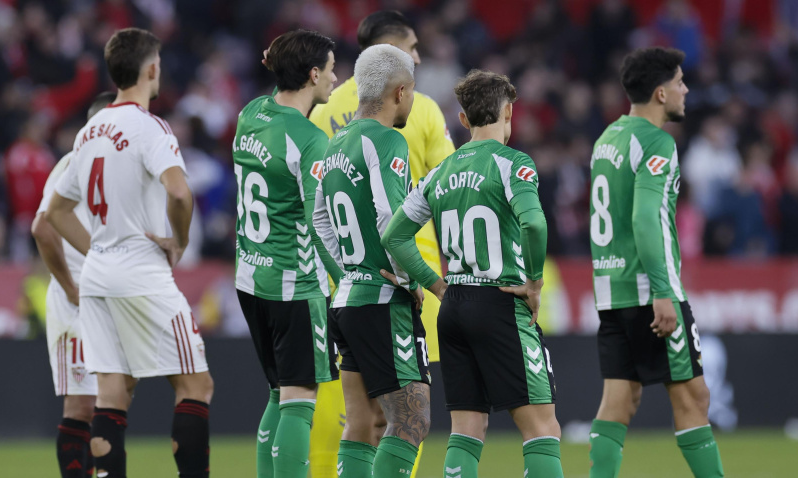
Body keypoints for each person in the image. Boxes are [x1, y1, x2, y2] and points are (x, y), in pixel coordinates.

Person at [46, 28, 213, 478]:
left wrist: (100, 248)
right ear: (152, 69)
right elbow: (179, 193)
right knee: (195, 384)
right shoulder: (149, 126)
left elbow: (57, 214)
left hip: (98, 274)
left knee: (111, 394)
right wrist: (178, 241)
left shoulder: (87, 133)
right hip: (141, 270)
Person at [382, 69, 563, 478]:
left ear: (463, 120)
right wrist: (533, 282)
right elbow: (534, 224)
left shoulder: (439, 173)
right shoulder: (513, 163)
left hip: (455, 305)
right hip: (500, 301)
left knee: (467, 429)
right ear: (509, 112)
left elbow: (394, 237)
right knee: (541, 427)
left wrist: (436, 285)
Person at [308, 12, 455, 475]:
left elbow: (318, 221)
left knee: (360, 422)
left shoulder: (334, 144)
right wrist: (425, 282)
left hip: (348, 298)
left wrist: (348, 272)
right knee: (411, 420)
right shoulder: (387, 142)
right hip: (382, 300)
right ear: (400, 92)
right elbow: (393, 225)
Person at [587, 47, 724, 478]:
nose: (686, 89)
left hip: (611, 290)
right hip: (649, 290)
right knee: (694, 397)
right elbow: (645, 218)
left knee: (619, 400)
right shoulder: (656, 141)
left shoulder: (607, 138)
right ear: (661, 93)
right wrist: (664, 291)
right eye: (681, 82)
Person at [232, 29, 341, 478]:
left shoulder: (251, 112)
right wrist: (349, 276)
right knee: (300, 401)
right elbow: (321, 222)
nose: (335, 79)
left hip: (249, 277)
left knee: (278, 394)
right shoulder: (311, 139)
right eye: (331, 70)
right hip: (294, 284)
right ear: (313, 75)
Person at [32, 91, 115, 478]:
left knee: (110, 404)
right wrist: (70, 288)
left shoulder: (121, 169)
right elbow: (42, 228)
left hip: (111, 300)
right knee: (82, 405)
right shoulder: (74, 163)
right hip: (79, 301)